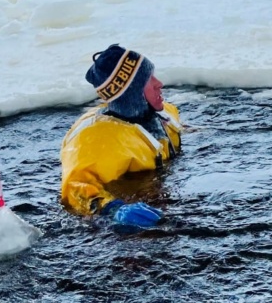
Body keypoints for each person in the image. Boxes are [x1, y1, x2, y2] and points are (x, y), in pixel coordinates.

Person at [60, 43, 181, 226]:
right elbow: (74, 188)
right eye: (149, 80)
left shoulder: (163, 115)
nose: (159, 84)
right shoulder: (95, 141)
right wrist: (112, 210)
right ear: (132, 92)